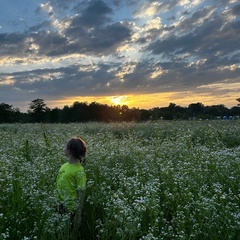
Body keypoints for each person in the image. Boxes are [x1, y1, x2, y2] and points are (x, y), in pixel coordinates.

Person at [56, 137, 87, 236]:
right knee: (59, 231)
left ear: (69, 151)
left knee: (67, 233)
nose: (63, 148)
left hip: (69, 208)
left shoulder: (79, 170)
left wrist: (78, 214)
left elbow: (81, 192)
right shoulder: (64, 165)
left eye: (65, 146)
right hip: (58, 204)